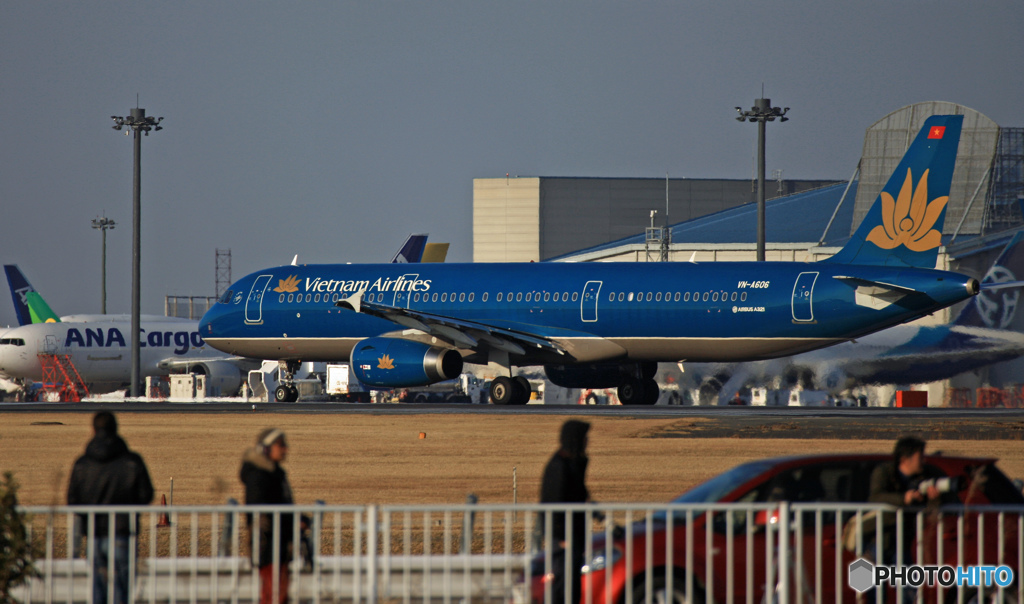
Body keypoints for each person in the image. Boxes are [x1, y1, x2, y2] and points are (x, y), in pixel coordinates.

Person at [67, 411, 154, 604]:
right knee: (122, 590)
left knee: (98, 588)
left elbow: (73, 499)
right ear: (116, 428)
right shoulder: (132, 461)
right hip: (123, 531)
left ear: (93, 430)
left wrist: (86, 518)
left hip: (95, 532)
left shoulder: (83, 464)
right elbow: (146, 494)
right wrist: (131, 509)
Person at [240, 428, 297, 604]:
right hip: (269, 544)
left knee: (279, 594)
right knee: (273, 595)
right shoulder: (260, 475)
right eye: (281, 445)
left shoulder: (275, 471)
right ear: (266, 448)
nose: (285, 449)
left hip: (280, 543)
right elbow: (260, 510)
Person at [540, 420, 591, 604]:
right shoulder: (560, 466)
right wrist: (560, 537)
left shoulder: (574, 463)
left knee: (572, 587)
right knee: (562, 586)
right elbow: (552, 503)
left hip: (573, 536)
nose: (588, 442)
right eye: (584, 438)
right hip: (564, 539)